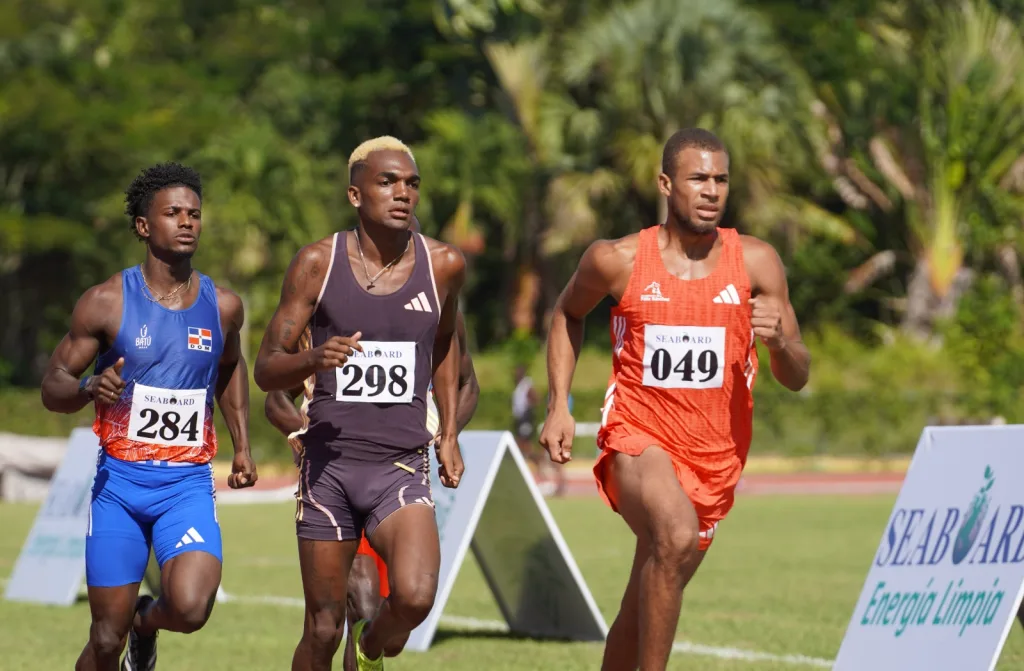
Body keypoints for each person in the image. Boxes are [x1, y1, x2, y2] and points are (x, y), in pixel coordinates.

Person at [540, 128, 811, 671]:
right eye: (698, 178)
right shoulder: (616, 260)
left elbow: (798, 374)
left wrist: (779, 342)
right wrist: (558, 403)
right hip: (638, 437)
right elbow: (568, 313)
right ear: (666, 184)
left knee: (644, 606)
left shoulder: (756, 263)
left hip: (715, 457)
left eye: (721, 180)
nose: (711, 190)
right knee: (675, 534)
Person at [253, 136, 467, 671]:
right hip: (329, 468)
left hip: (400, 465)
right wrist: (315, 359)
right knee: (323, 629)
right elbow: (265, 369)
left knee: (414, 596)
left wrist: (449, 435)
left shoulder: (443, 265)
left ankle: (370, 649)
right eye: (388, 182)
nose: (403, 193)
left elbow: (444, 350)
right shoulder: (316, 264)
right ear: (355, 194)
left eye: (412, 183)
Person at [39, 163, 258, 671]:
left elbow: (230, 369)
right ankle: (126, 631)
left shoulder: (223, 306)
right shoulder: (105, 303)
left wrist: (242, 444)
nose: (187, 223)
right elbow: (53, 386)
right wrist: (88, 387)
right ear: (143, 226)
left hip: (186, 485)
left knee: (189, 606)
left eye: (195, 214)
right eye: (173, 213)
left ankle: (147, 624)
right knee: (104, 639)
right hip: (120, 488)